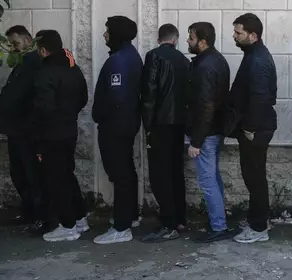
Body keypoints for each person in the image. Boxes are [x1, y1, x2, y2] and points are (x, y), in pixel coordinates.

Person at [30, 30, 89, 242]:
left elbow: (42, 109)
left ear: (43, 50)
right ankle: (80, 218)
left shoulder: (45, 73)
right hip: (69, 130)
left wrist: (36, 137)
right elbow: (83, 98)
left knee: (57, 179)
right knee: (67, 174)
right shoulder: (74, 69)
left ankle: (68, 226)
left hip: (50, 134)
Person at [225, 13, 277, 244]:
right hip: (254, 126)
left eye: (238, 33)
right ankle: (259, 220)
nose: (234, 36)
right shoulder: (253, 55)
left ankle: (258, 229)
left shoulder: (258, 60)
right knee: (253, 176)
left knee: (255, 178)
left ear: (253, 35)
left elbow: (260, 97)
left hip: (256, 128)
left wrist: (250, 128)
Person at [92, 16, 143, 244]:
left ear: (117, 34)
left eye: (107, 31)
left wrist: (103, 116)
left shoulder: (119, 61)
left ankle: (122, 227)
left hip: (116, 125)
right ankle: (130, 216)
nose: (104, 35)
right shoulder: (129, 55)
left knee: (120, 174)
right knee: (126, 171)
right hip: (125, 123)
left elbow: (117, 97)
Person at [0, 25, 46, 232]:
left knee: (30, 173)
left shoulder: (32, 63)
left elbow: (19, 95)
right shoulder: (23, 63)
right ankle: (30, 212)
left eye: (16, 43)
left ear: (28, 41)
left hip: (25, 128)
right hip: (17, 128)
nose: (13, 48)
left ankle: (38, 215)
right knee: (20, 172)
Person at [139, 24, 190, 243]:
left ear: (159, 38)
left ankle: (168, 223)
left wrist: (147, 126)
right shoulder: (184, 60)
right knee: (176, 171)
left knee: (160, 175)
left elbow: (149, 92)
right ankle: (179, 219)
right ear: (175, 39)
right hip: (179, 125)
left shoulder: (154, 56)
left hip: (160, 124)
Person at [185, 22, 234, 243]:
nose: (188, 41)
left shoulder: (205, 66)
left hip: (206, 132)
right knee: (213, 177)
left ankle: (218, 226)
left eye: (191, 38)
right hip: (214, 130)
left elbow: (206, 106)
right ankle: (219, 220)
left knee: (207, 180)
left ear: (202, 42)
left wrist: (196, 141)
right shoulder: (217, 60)